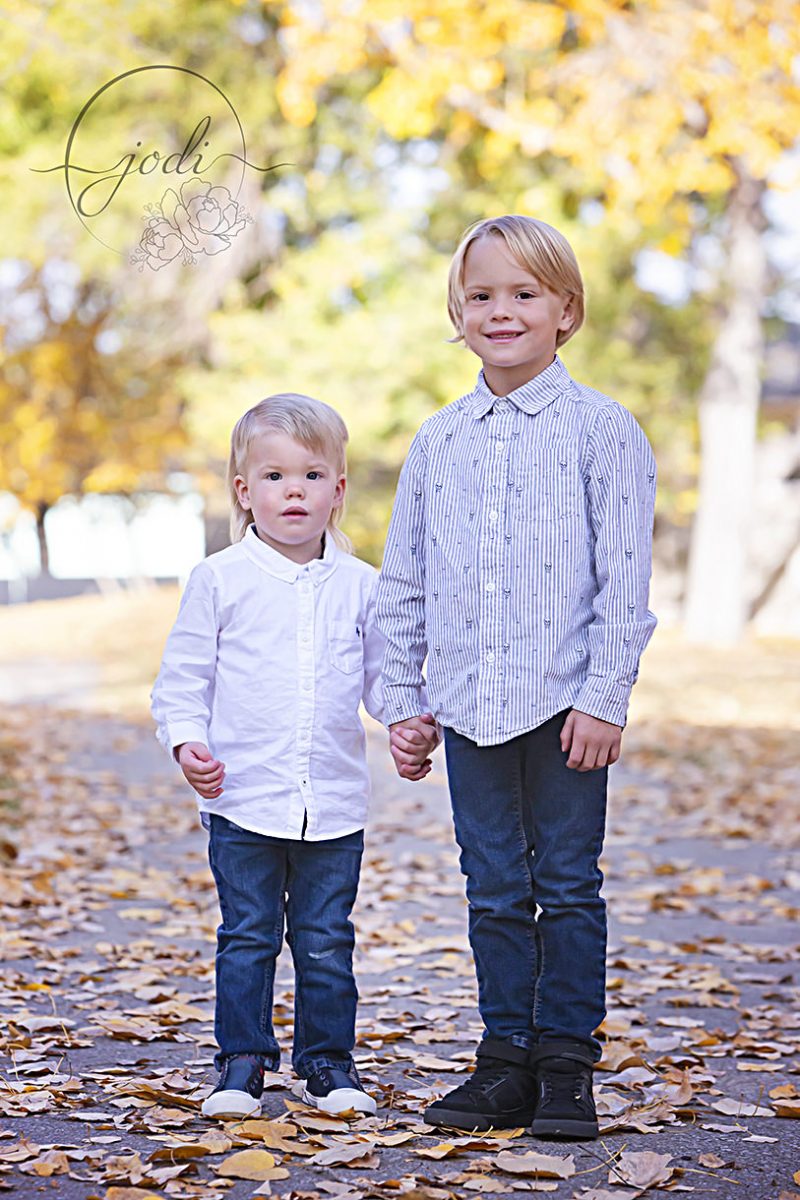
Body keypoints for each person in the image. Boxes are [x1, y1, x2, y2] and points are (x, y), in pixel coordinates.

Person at [378, 215, 657, 1140]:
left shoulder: (602, 431)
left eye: (524, 294)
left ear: (565, 311)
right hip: (469, 709)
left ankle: (566, 1064)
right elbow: (405, 581)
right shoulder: (438, 442)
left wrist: (606, 696)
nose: (501, 311)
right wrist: (403, 702)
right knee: (493, 887)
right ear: (458, 315)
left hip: (566, 706)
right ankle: (505, 1060)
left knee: (567, 884)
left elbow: (625, 578)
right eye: (481, 295)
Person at [151, 393, 438, 1121]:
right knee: (247, 935)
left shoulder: (363, 586)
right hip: (243, 799)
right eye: (274, 476)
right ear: (244, 491)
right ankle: (242, 1062)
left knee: (325, 940)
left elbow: (382, 678)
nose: (294, 491)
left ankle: (328, 1064)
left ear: (337, 490)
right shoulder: (220, 579)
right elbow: (184, 678)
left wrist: (405, 724)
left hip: (332, 804)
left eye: (312, 476)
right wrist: (187, 742)